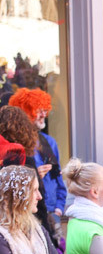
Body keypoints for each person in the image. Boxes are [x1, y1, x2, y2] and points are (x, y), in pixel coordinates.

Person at [7, 89, 67, 227]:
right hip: (29, 212)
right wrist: (34, 175)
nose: (44, 115)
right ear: (25, 113)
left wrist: (58, 208)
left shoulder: (49, 141)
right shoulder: (16, 144)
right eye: (38, 111)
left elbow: (58, 177)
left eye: (45, 110)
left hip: (52, 211)